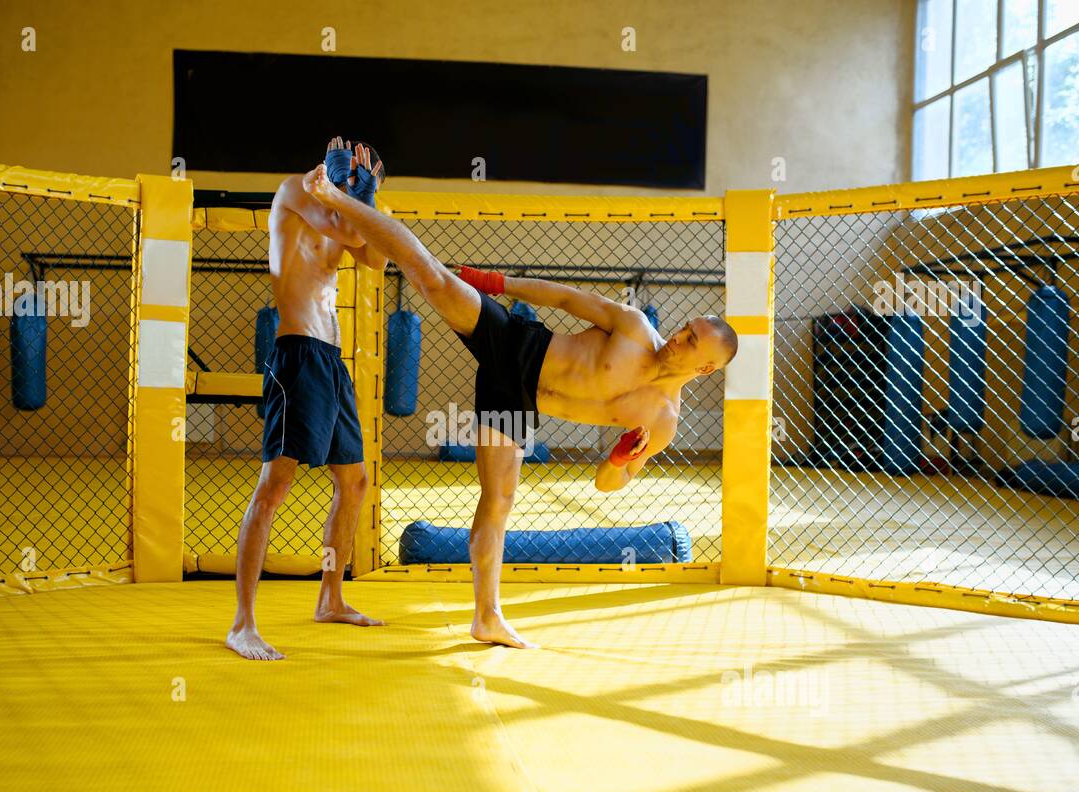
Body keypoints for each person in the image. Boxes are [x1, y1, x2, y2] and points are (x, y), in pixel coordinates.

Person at [303, 162, 738, 649]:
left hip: (516, 400)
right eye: (686, 327)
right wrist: (495, 283)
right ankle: (347, 201)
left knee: (499, 501)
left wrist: (618, 461)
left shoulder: (662, 422)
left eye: (691, 340)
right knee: (433, 280)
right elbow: (567, 298)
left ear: (704, 368)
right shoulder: (636, 327)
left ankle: (486, 616)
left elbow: (607, 485)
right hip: (517, 346)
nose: (679, 335)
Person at [226, 139, 389, 661]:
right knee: (276, 484)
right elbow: (344, 227)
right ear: (330, 166)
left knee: (354, 479)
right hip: (296, 354)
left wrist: (366, 196)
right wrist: (351, 196)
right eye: (348, 173)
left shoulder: (346, 209)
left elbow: (378, 260)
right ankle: (242, 623)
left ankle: (330, 596)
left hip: (331, 360)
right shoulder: (296, 190)